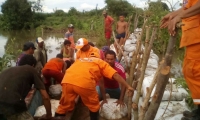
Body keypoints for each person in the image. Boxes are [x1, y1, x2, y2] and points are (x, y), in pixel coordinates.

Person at [55, 52, 133, 120]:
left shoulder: (80, 60)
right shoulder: (100, 62)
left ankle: (58, 116)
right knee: (94, 105)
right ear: (102, 58)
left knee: (64, 104)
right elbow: (115, 75)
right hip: (84, 83)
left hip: (66, 81)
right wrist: (128, 86)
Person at [160, 1, 200, 120]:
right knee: (190, 73)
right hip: (193, 37)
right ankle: (199, 109)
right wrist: (173, 14)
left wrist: (179, 17)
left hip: (197, 36)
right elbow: (186, 8)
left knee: (195, 72)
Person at [0, 55, 52, 120]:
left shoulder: (6, 71)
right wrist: (49, 115)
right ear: (33, 65)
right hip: (12, 104)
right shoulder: (31, 69)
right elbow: (45, 96)